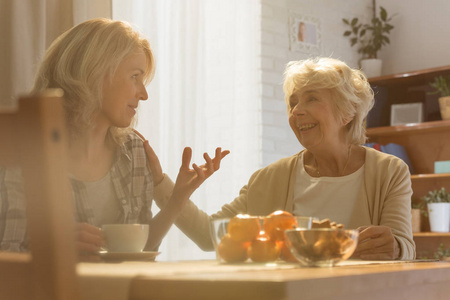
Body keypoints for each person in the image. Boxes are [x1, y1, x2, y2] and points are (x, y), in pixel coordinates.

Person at [0, 18, 228, 261]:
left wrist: (177, 200)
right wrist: (51, 247)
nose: (144, 94)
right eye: (135, 76)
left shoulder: (135, 152)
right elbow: (8, 257)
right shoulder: (23, 148)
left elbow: (136, 250)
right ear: (95, 72)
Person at [146, 57, 415, 260]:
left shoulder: (389, 172)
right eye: (293, 102)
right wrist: (160, 182)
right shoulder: (268, 179)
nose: (296, 111)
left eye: (311, 99)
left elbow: (404, 247)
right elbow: (209, 235)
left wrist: (396, 247)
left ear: (347, 113)